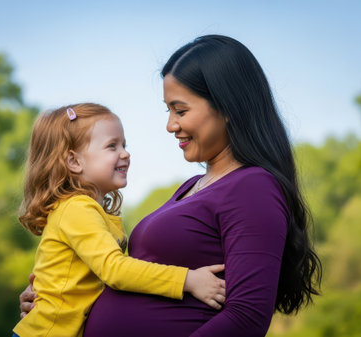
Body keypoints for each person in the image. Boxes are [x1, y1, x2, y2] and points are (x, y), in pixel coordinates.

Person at [20, 35, 322, 336]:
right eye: (168, 110)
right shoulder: (191, 187)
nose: (170, 125)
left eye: (180, 110)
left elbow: (247, 317)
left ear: (227, 107)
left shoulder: (253, 187)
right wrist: (58, 298)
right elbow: (116, 273)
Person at [12, 103, 227, 337]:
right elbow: (115, 270)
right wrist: (187, 280)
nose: (125, 153)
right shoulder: (76, 208)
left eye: (124, 145)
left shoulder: (91, 210)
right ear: (74, 162)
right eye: (111, 146)